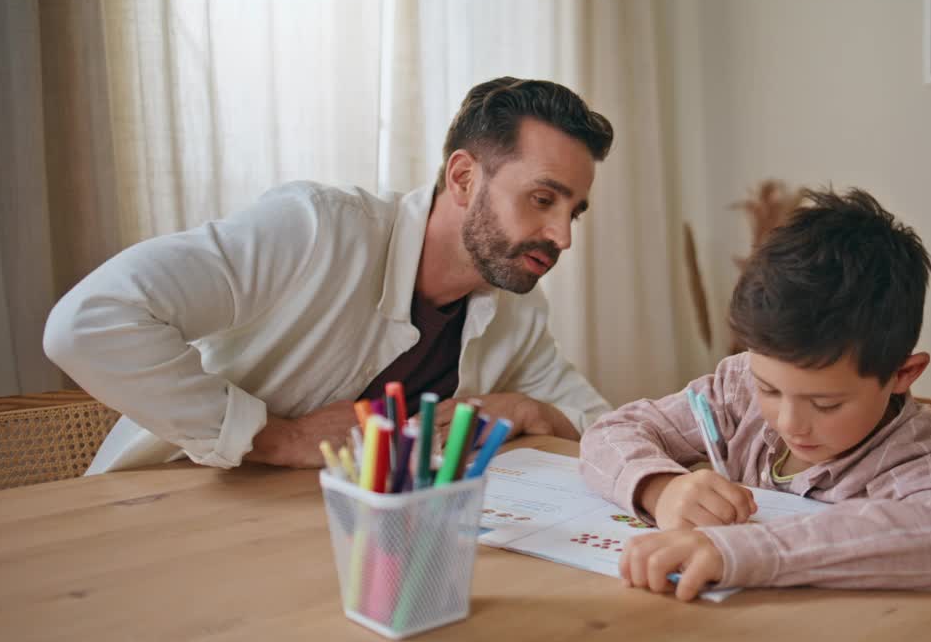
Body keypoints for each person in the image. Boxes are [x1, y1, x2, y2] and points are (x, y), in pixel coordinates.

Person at [45, 77, 615, 473]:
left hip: (337, 547)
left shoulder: (518, 310)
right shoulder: (314, 228)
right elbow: (89, 321)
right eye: (542, 199)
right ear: (464, 178)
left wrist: (530, 410)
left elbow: (606, 429)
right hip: (173, 512)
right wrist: (278, 438)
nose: (562, 236)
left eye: (574, 213)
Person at [579, 186, 931, 601]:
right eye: (770, 388)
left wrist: (738, 552)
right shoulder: (737, 390)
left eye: (825, 403)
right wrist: (661, 488)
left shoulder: (915, 462)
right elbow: (611, 432)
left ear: (902, 374)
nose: (788, 423)